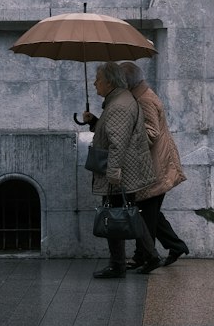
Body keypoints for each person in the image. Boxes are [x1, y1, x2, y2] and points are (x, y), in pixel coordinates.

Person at [81, 61, 159, 279]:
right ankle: (150, 255)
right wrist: (95, 121)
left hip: (120, 171)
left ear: (109, 81)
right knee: (127, 210)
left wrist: (113, 172)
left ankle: (118, 264)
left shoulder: (119, 105)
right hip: (124, 170)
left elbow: (118, 142)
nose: (94, 83)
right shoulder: (118, 101)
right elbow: (113, 133)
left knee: (112, 214)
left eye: (98, 79)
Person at [119, 61, 190, 267]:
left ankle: (144, 255)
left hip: (155, 167)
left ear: (127, 82)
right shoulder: (142, 95)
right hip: (155, 164)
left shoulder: (143, 100)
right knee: (150, 212)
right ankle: (175, 246)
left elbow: (151, 132)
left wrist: (125, 140)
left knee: (145, 213)